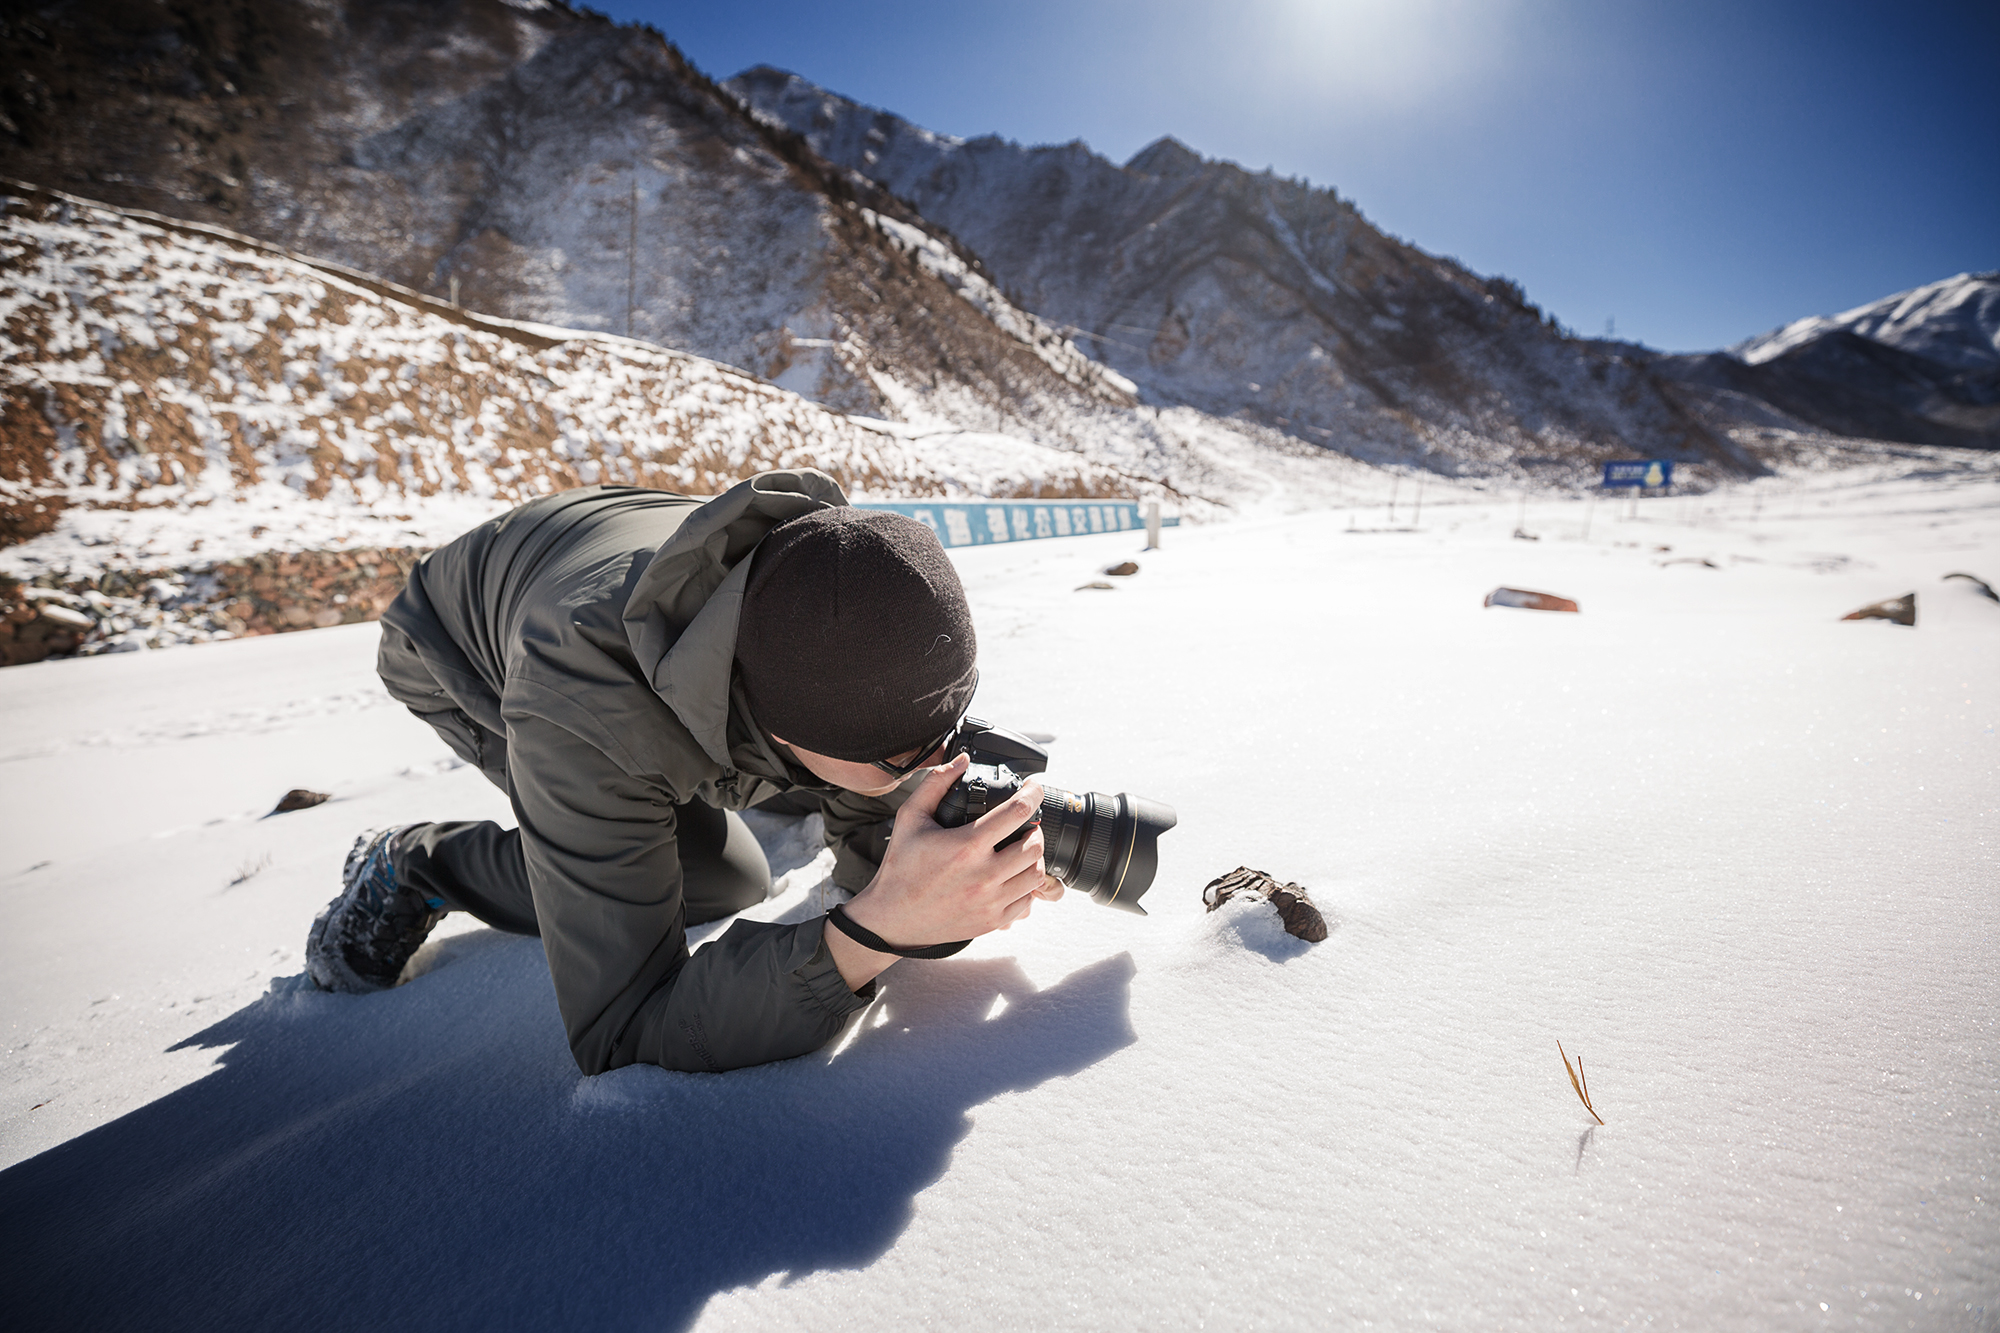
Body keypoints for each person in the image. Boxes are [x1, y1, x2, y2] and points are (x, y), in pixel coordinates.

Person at [304, 469, 1061, 1074]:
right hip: (460, 641)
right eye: (908, 757)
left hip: (599, 544)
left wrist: (948, 867)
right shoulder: (581, 711)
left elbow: (872, 764)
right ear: (785, 730)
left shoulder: (837, 584)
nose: (937, 766)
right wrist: (874, 931)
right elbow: (625, 1022)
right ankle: (416, 862)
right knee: (713, 879)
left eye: (952, 728)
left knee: (800, 817)